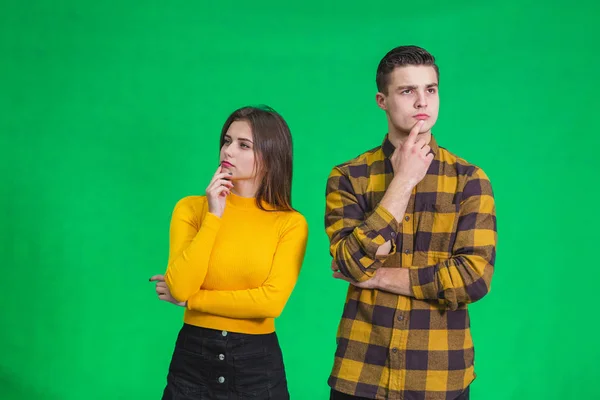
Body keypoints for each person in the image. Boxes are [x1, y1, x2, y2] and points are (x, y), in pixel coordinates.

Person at [325, 45, 497, 400]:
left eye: (430, 90)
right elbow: (350, 262)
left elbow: (474, 278)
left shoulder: (469, 179)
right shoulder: (349, 176)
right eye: (407, 91)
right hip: (361, 375)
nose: (422, 102)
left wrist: (380, 277)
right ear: (382, 100)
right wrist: (403, 181)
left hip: (438, 377)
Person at [149, 105, 308, 400]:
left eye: (243, 145)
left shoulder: (290, 223)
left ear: (271, 157)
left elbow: (269, 303)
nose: (228, 151)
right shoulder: (190, 209)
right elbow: (180, 284)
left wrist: (192, 300)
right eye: (226, 140)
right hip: (192, 360)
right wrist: (214, 216)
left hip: (257, 365)